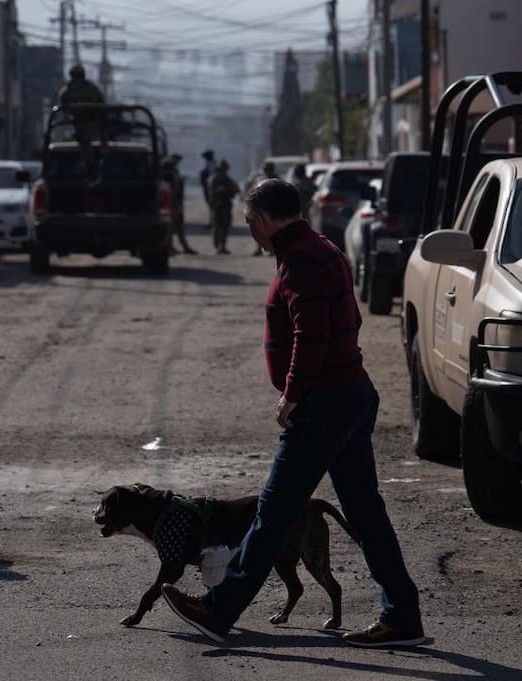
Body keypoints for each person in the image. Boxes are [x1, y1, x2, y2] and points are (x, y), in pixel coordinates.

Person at [161, 178, 427, 649]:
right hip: (349, 395)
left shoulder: (302, 258)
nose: (250, 232)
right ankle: (402, 614)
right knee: (365, 514)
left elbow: (313, 334)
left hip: (323, 404)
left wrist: (292, 393)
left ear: (261, 221)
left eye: (248, 223)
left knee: (274, 512)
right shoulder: (318, 248)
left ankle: (219, 610)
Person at [58, 65, 105, 148]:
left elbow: (100, 106)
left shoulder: (91, 89)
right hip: (79, 120)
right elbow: (64, 105)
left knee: (88, 136)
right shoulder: (68, 90)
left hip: (92, 119)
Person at [161, 154, 197, 255]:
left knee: (179, 226)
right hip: (171, 204)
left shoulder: (174, 173)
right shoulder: (166, 175)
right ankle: (168, 247)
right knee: (170, 228)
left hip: (177, 203)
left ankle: (184, 247)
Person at [206, 160, 240, 254]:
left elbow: (236, 189)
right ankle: (218, 246)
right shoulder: (213, 179)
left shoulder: (227, 179)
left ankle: (222, 246)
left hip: (225, 206)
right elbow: (211, 193)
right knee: (217, 227)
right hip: (218, 206)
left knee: (224, 227)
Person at [245, 161, 278, 255]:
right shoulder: (260, 179)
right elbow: (252, 191)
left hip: (273, 208)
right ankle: (259, 249)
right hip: (261, 206)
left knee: (272, 229)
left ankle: (272, 249)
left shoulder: (276, 179)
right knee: (259, 228)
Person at [199, 150, 216, 229]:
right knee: (212, 206)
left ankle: (213, 222)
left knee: (213, 206)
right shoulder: (210, 164)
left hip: (212, 189)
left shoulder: (212, 164)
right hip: (209, 188)